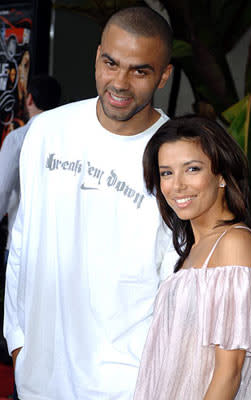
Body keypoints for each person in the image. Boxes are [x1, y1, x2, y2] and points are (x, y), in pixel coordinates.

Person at [4, 7, 176, 400]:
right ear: (97, 55)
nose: (119, 82)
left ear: (163, 76)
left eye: (140, 70)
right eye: (110, 63)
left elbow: (178, 279)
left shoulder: (178, 154)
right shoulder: (47, 131)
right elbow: (23, 243)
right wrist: (18, 343)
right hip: (36, 381)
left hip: (126, 387)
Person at [134, 115, 251, 399]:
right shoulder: (194, 250)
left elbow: (229, 373)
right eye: (166, 173)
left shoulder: (234, 243)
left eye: (192, 169)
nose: (177, 185)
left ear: (221, 174)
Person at [0, 75, 61, 264]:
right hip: (57, 245)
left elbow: (2, 189)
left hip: (21, 243)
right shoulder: (67, 139)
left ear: (29, 99)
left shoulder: (18, 139)